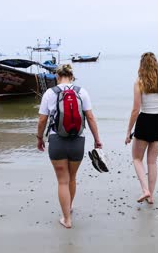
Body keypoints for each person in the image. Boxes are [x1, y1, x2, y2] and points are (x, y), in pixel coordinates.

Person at [37, 64, 102, 229]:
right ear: (72, 77)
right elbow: (90, 117)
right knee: (72, 178)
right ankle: (69, 206)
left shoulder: (50, 93)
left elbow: (42, 120)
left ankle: (66, 219)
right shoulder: (82, 92)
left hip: (57, 141)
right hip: (77, 141)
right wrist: (97, 140)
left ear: (57, 77)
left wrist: (40, 138)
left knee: (62, 181)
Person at [125, 52, 158, 204]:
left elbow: (136, 109)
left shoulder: (139, 82)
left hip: (145, 120)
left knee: (136, 158)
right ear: (156, 65)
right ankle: (151, 196)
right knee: (152, 162)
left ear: (142, 66)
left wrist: (128, 131)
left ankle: (145, 190)